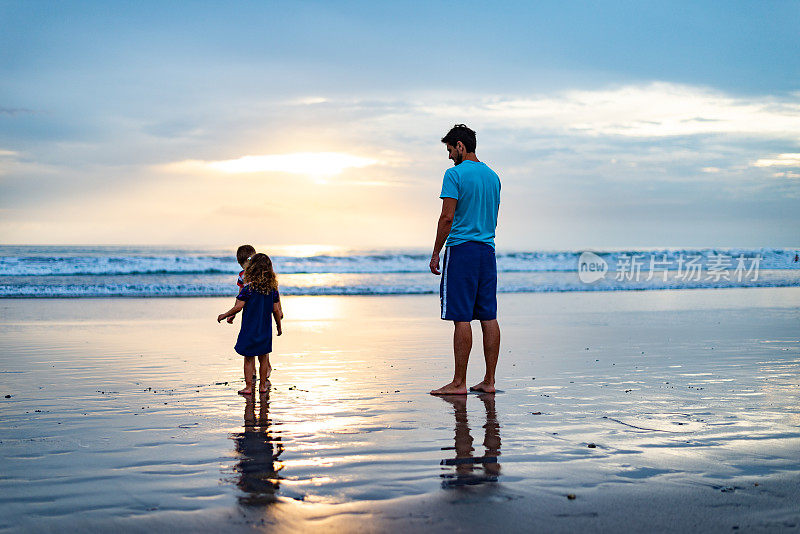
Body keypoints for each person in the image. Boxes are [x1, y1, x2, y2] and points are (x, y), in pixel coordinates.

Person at [429, 124, 501, 395]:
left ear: (460, 146)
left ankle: (459, 383)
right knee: (488, 315)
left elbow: (447, 217)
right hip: (487, 251)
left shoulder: (454, 174)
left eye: (450, 150)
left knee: (462, 317)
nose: (449, 157)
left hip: (462, 250)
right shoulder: (493, 176)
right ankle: (489, 381)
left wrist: (436, 252)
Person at [218, 253, 283, 395]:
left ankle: (248, 387)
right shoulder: (271, 290)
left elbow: (238, 306)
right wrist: (278, 326)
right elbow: (276, 310)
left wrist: (225, 314)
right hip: (265, 330)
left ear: (252, 269)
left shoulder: (248, 289)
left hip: (249, 329)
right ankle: (263, 386)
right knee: (264, 358)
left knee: (248, 359)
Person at [226, 245, 256, 324]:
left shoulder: (243, 275)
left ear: (240, 262)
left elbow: (240, 295)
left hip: (250, 309)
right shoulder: (263, 273)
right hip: (262, 309)